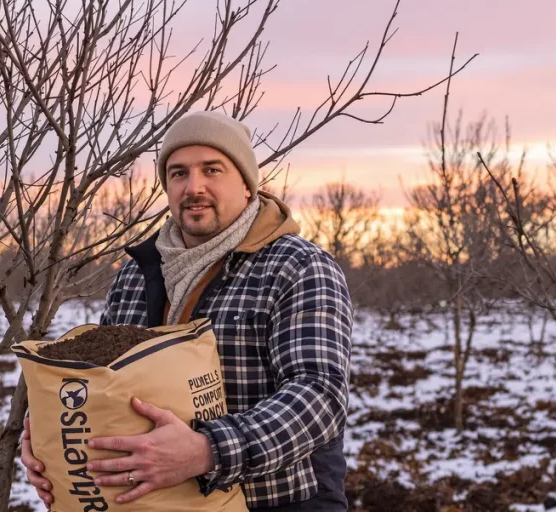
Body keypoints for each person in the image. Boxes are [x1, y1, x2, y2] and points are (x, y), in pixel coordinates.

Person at [20, 111, 353, 511]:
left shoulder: (296, 266)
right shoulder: (136, 274)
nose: (194, 186)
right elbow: (99, 385)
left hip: (279, 500)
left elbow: (319, 396)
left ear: (247, 184)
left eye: (212, 170)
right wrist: (53, 447)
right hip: (154, 502)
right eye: (178, 173)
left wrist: (205, 451)